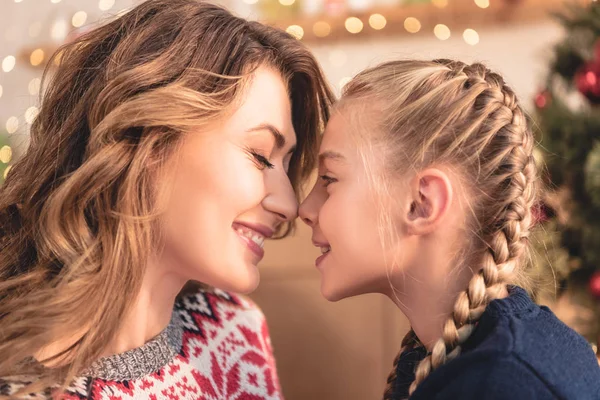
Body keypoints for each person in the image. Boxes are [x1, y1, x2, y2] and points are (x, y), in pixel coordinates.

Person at [0, 0, 333, 398]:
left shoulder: (235, 330)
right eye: (260, 155)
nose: (289, 204)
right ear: (149, 141)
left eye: (286, 163)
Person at [299, 59, 600, 399]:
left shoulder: (503, 383)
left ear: (422, 203)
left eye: (329, 179)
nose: (304, 209)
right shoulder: (456, 354)